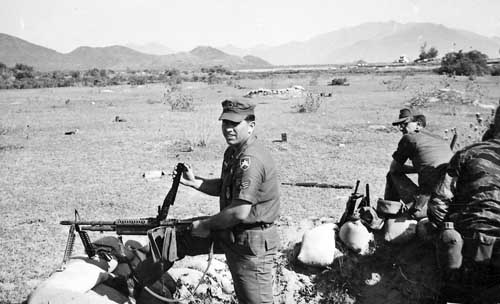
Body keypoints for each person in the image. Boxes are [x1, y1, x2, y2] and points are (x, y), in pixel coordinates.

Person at [173, 98, 281, 304]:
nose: (228, 129)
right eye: (225, 123)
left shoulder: (251, 160)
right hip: (237, 236)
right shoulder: (234, 152)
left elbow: (240, 210)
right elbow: (227, 187)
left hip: (252, 243)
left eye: (235, 124)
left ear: (251, 126)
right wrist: (196, 182)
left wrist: (205, 225)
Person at [428, 105, 500, 303]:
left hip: (471, 243)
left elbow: (439, 203)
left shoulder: (468, 154)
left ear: (493, 126)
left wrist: (442, 228)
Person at [384, 108, 453, 218]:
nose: (401, 128)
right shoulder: (439, 139)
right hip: (452, 198)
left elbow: (394, 168)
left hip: (431, 202)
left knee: (392, 174)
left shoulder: (409, 138)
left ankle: (389, 215)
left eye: (405, 124)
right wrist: (421, 168)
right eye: (400, 125)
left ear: (418, 124)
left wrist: (418, 168)